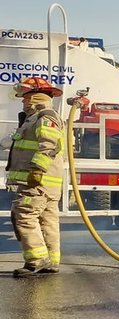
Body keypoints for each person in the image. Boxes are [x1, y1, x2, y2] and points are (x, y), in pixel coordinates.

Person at [6, 77, 67, 277]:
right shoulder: (34, 118)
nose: (22, 100)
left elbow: (48, 144)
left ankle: (36, 260)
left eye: (25, 97)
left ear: (33, 97)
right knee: (47, 219)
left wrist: (36, 171)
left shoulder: (45, 117)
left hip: (38, 181)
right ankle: (51, 261)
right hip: (44, 182)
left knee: (24, 214)